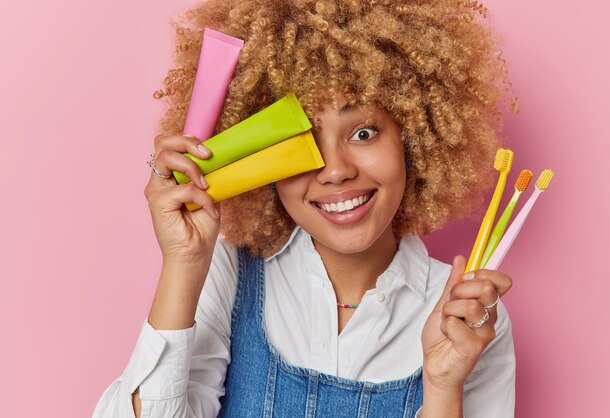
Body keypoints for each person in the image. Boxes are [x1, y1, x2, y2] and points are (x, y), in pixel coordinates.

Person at [93, 0, 516, 417]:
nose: (334, 171)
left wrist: (443, 389)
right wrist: (183, 264)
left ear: (413, 138)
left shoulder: (468, 316)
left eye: (364, 132)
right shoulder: (228, 274)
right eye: (301, 141)